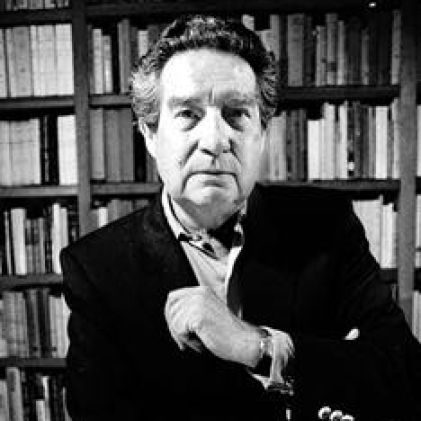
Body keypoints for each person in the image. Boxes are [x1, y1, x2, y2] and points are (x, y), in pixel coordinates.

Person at [61, 14, 421, 421]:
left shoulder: (327, 226)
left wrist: (258, 346)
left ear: (262, 133)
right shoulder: (98, 267)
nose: (215, 141)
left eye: (236, 114)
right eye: (188, 114)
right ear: (150, 134)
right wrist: (334, 366)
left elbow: (405, 378)